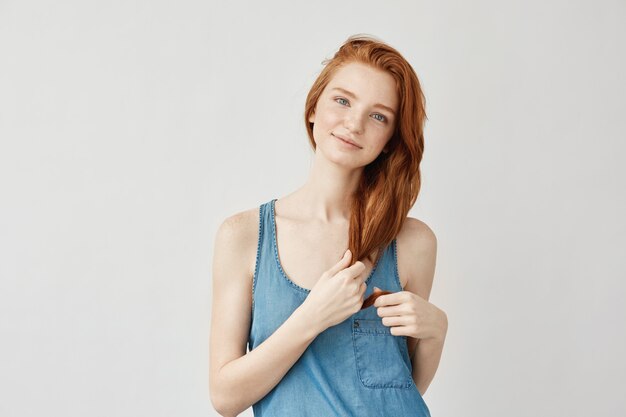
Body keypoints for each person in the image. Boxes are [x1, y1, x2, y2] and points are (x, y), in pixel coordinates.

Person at [209, 34, 448, 417]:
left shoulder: (412, 242)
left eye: (378, 116)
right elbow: (225, 397)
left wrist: (437, 331)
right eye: (342, 100)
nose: (354, 123)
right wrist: (311, 316)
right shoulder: (244, 236)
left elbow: (402, 388)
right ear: (313, 108)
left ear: (389, 140)